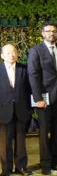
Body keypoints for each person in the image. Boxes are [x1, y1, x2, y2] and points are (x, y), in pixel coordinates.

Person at [28, 22, 57, 175]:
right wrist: (38, 98)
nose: (52, 34)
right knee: (44, 132)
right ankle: (45, 164)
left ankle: (56, 161)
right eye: (48, 31)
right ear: (43, 33)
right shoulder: (36, 50)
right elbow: (33, 75)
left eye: (54, 31)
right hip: (43, 98)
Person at [0, 44, 32, 176]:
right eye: (8, 53)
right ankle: (6, 169)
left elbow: (30, 89)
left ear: (17, 53)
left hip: (21, 110)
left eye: (14, 52)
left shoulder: (24, 69)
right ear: (2, 56)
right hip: (3, 111)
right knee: (4, 143)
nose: (12, 54)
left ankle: (21, 167)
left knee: (21, 142)